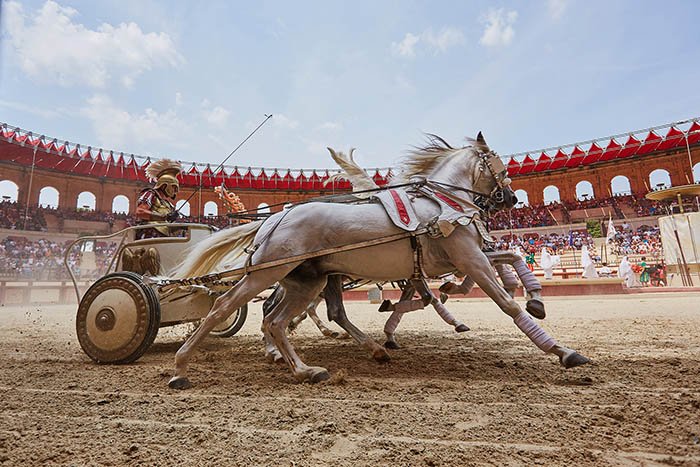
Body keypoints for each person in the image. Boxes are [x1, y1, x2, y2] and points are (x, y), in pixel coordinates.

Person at [135, 159, 183, 239]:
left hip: (164, 237)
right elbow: (140, 212)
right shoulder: (150, 194)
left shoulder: (168, 204)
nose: (175, 191)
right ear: (164, 186)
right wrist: (164, 217)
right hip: (149, 234)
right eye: (173, 187)